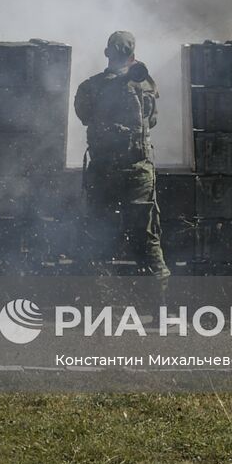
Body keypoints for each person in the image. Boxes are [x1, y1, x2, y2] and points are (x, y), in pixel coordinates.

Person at [73, 30, 169, 279]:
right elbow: (153, 121)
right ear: (133, 55)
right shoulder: (147, 85)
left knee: (97, 239)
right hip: (138, 172)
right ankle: (159, 309)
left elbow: (84, 117)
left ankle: (96, 306)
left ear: (107, 53)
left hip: (104, 171)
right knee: (148, 242)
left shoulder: (90, 86)